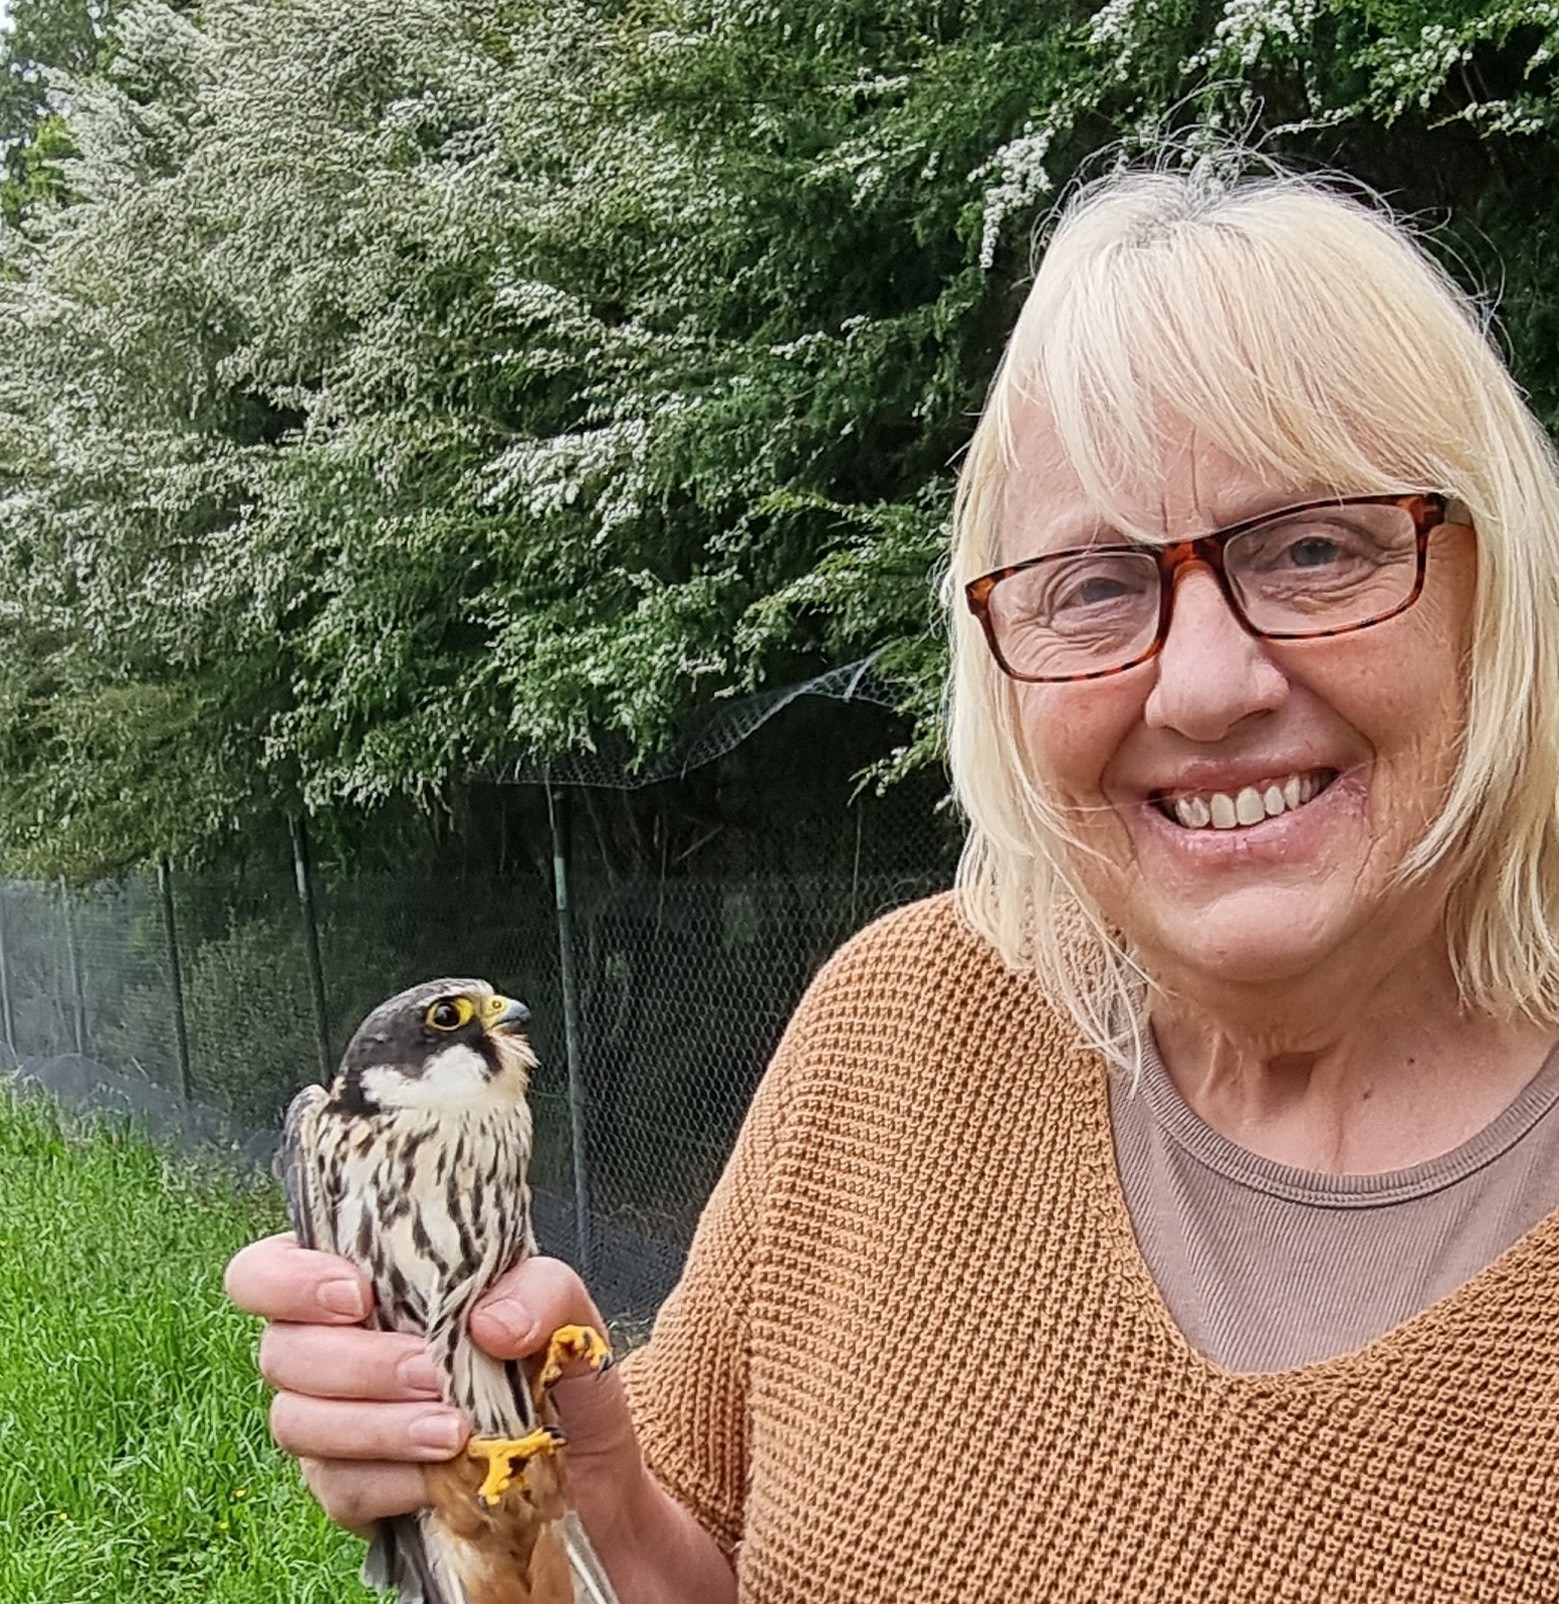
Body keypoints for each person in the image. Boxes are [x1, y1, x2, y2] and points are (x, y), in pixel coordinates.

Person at [224, 154, 1559, 1602]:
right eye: (1098, 586)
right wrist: (567, 1496)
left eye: (1313, 549)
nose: (1207, 684)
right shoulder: (898, 1023)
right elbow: (705, 1572)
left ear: (1504, 584)